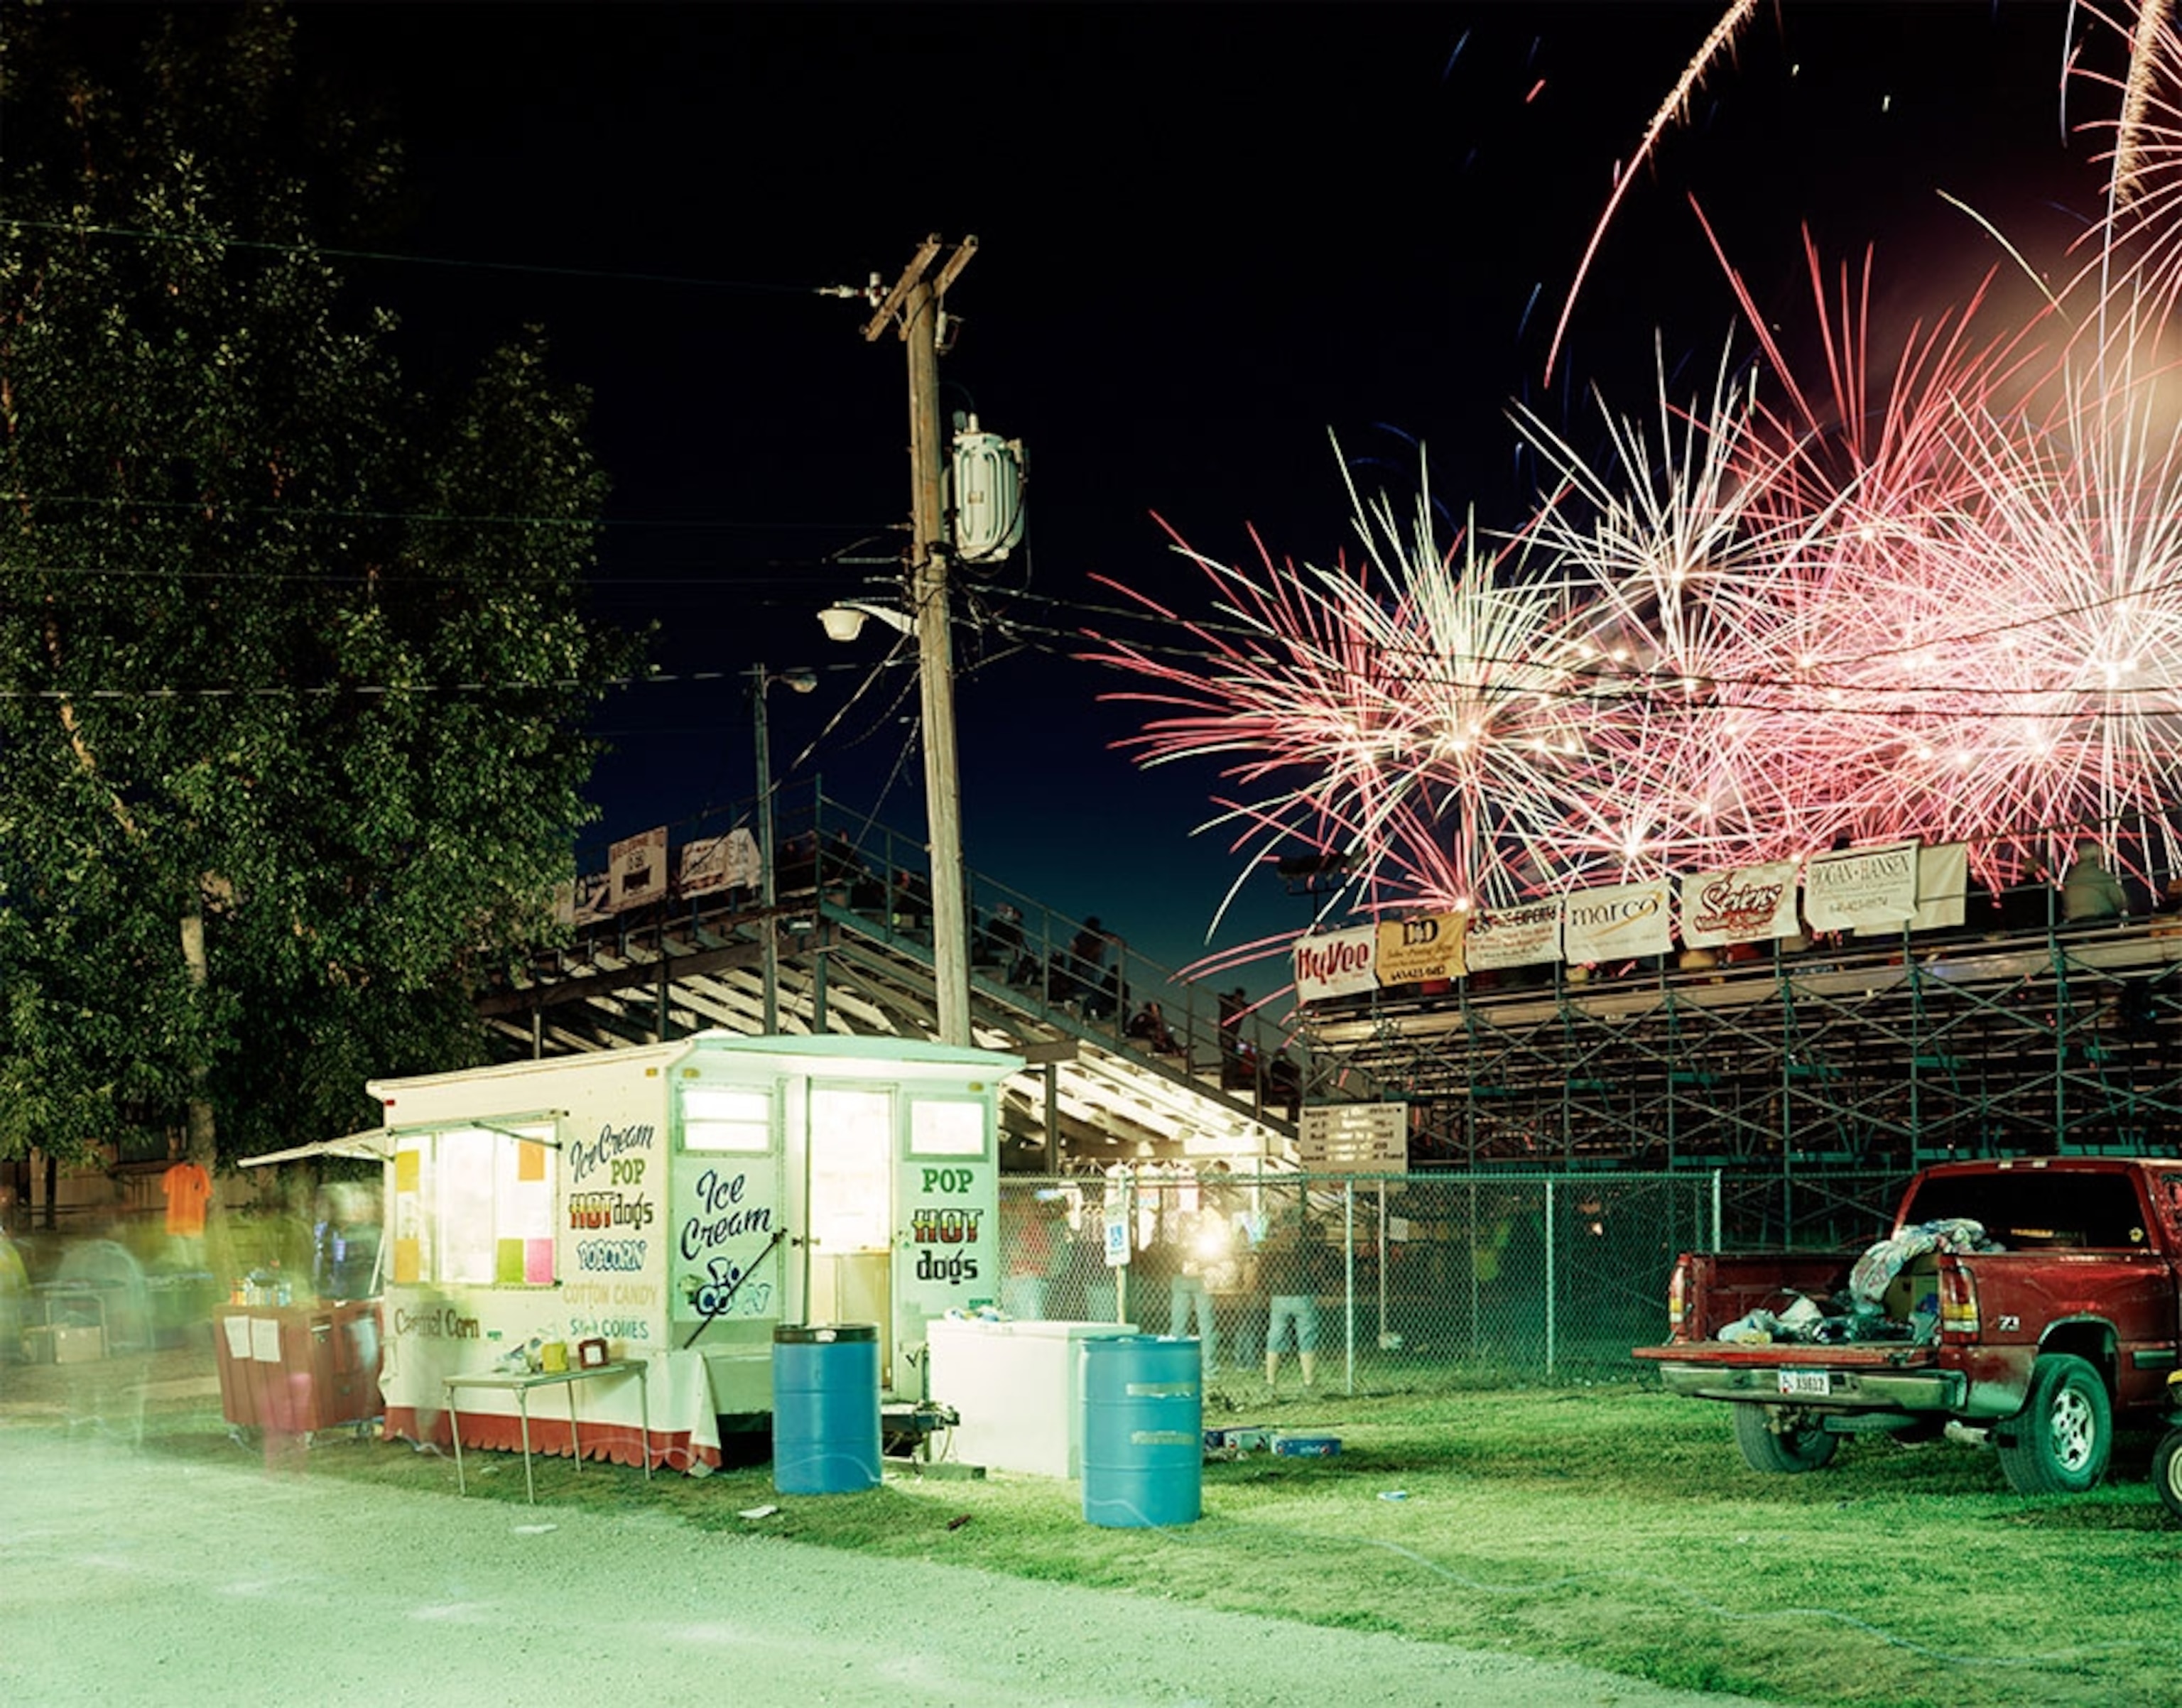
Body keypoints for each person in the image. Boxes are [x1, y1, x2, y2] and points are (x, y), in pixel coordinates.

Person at [1260, 1199, 1323, 1390]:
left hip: (1280, 1293)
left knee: (1276, 1335)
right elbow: (1317, 1265)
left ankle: (1271, 1380)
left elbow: (1266, 1265)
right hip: (1303, 1292)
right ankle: (1308, 1380)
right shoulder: (1306, 1242)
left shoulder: (1274, 1243)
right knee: (1306, 1335)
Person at [2061, 840, 2128, 923]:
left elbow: (2065, 903)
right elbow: (2120, 899)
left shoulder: (2070, 877)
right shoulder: (2102, 875)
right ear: (2096, 858)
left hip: (2076, 921)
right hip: (2100, 919)